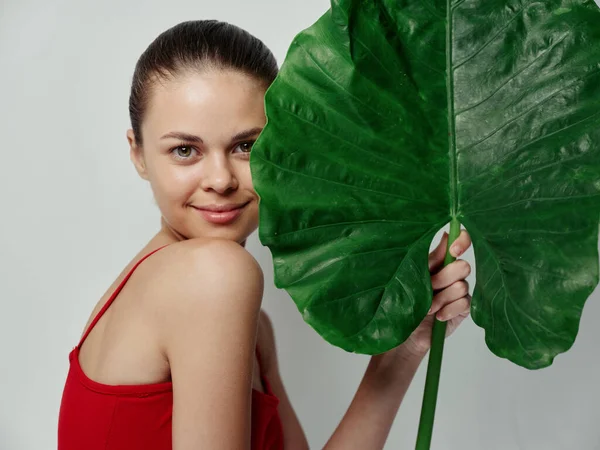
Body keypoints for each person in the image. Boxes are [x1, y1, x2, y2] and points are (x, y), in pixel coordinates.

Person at [57, 20, 473, 450]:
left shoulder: (248, 324)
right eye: (185, 150)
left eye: (246, 147)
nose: (220, 179)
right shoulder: (213, 275)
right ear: (138, 155)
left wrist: (404, 349)